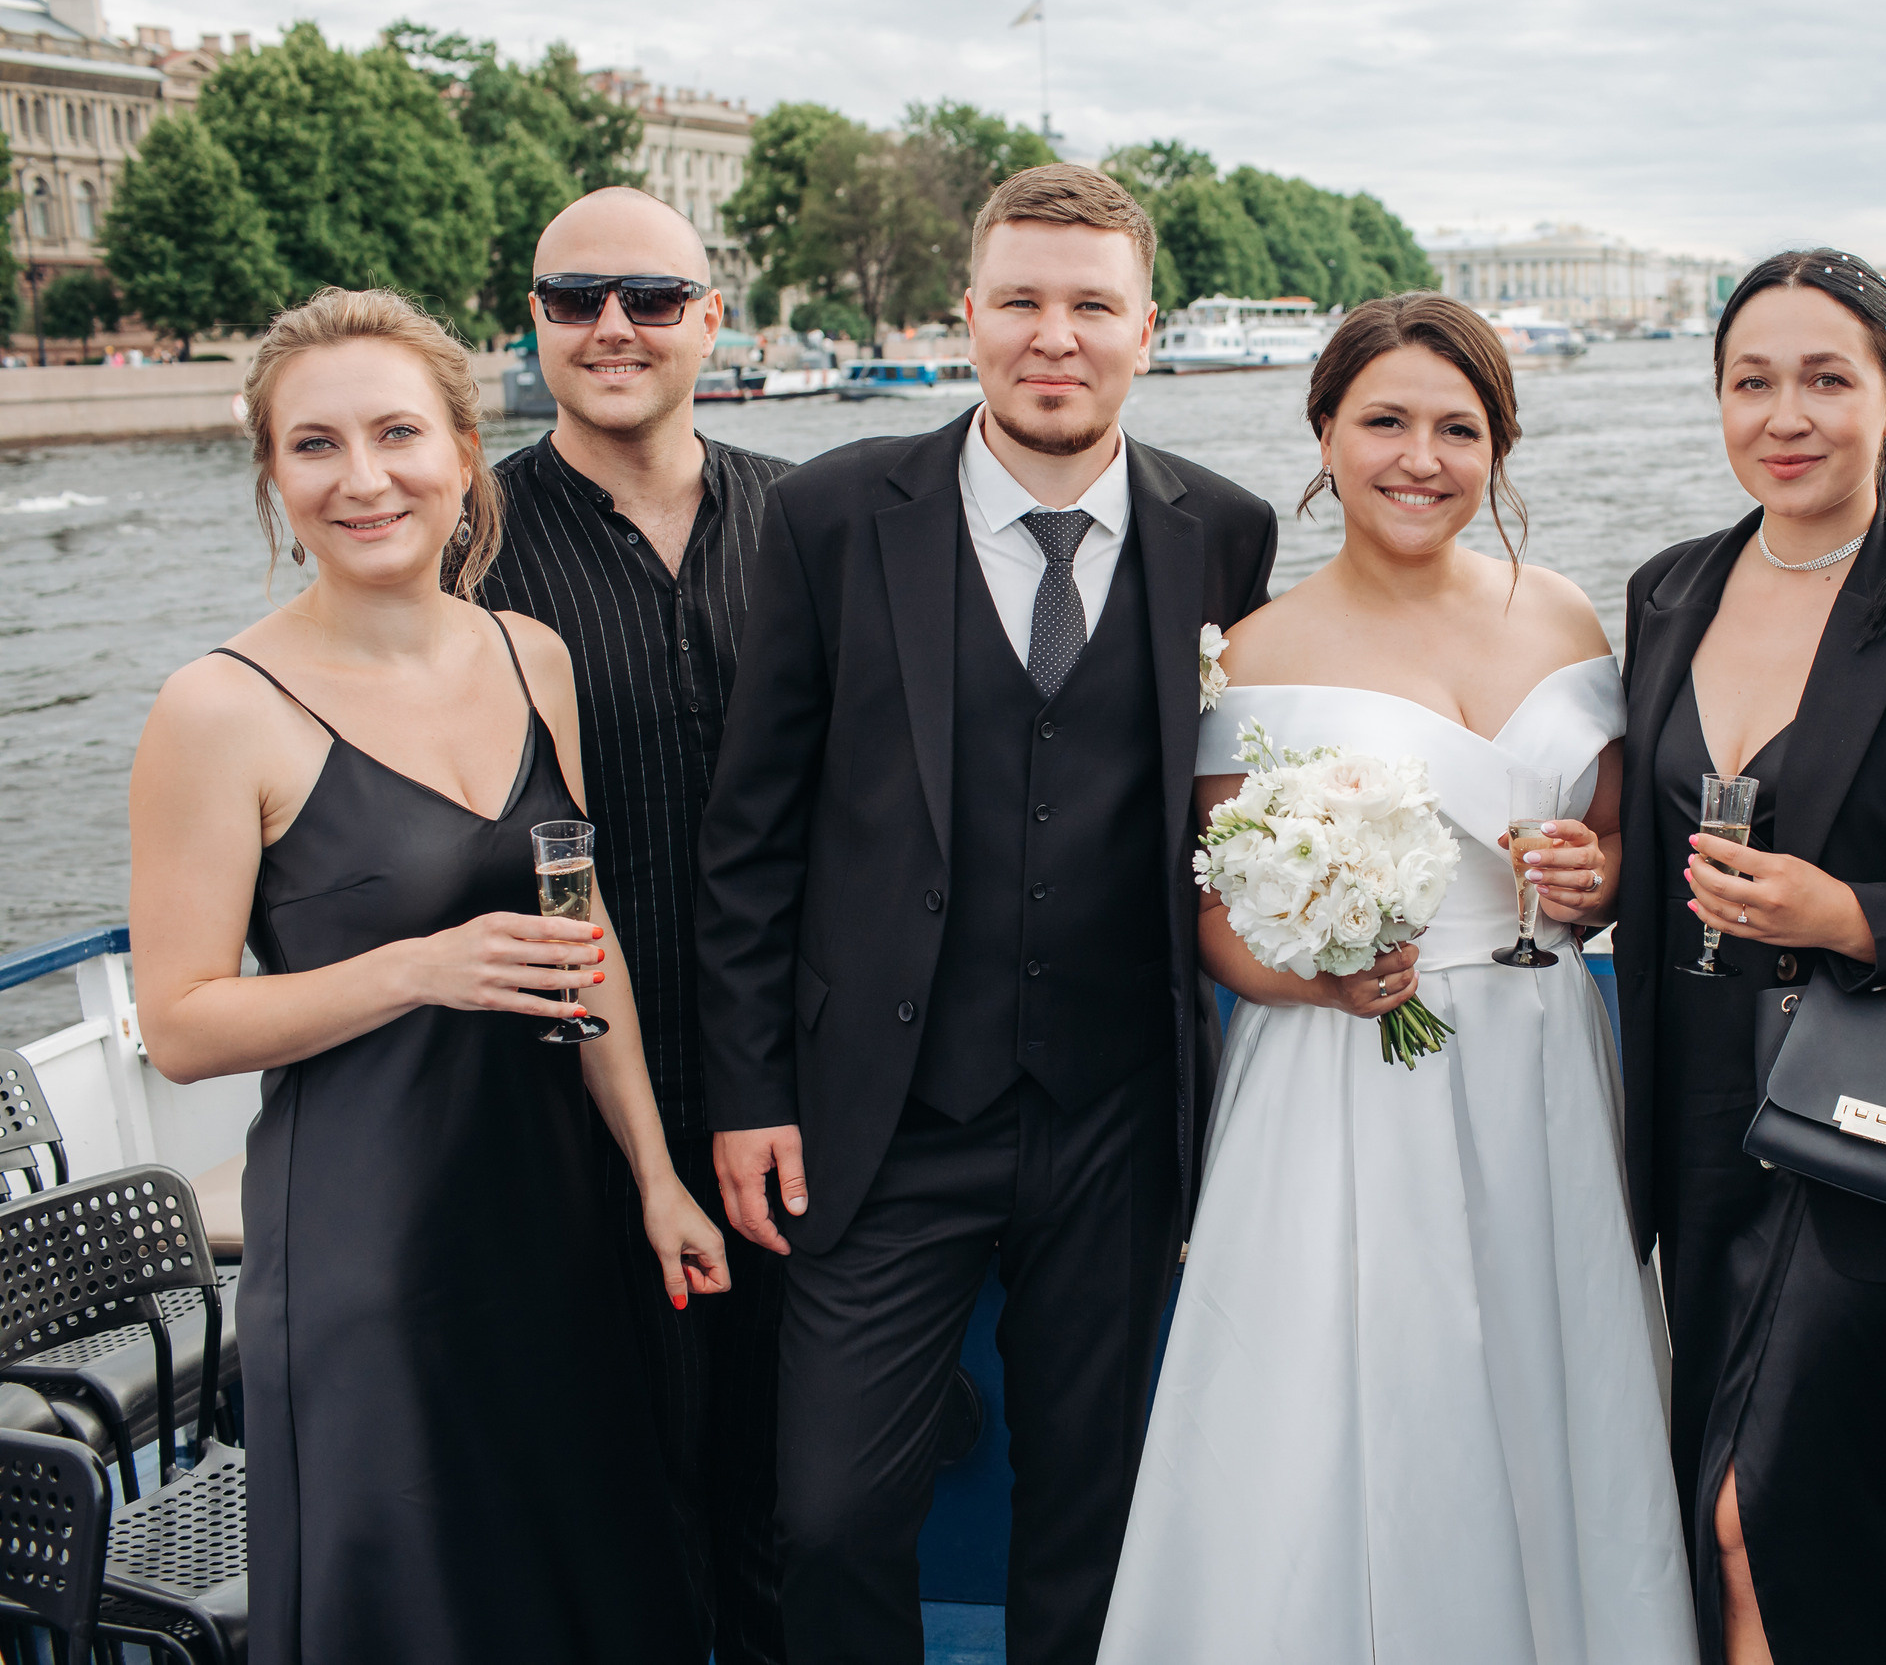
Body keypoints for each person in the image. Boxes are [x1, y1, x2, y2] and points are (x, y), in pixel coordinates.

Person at [694, 163, 1280, 1665]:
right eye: (1021, 299)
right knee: (828, 1515)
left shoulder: (1224, 531)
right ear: (968, 315)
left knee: (1091, 1506)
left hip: (1114, 1118)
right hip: (879, 1116)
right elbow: (750, 837)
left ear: (1150, 329)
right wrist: (751, 1092)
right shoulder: (832, 514)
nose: (1054, 335)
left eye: (1093, 304)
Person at [126, 287, 731, 1662]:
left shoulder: (535, 657)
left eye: (399, 433)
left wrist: (651, 1176)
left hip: (562, 1219)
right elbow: (180, 1025)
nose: (365, 478)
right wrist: (418, 966)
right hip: (373, 1250)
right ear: (276, 481)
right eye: (316, 447)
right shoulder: (218, 709)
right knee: (427, 1604)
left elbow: (586, 947)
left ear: (465, 452)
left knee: (599, 1581)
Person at [1098, 293, 1697, 1665]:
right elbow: (1211, 917)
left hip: (1543, 1057)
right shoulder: (1257, 652)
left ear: (1499, 449)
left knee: (1550, 1385)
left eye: (1458, 429)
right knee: (1354, 1396)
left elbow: (1611, 836)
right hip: (1350, 1067)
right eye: (1385, 422)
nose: (1420, 457)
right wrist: (1317, 983)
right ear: (1324, 433)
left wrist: (1595, 881)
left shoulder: (1559, 612)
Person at [1614, 249, 1886, 1665]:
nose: (1784, 415)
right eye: (1751, 382)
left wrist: (1844, 915)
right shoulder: (1668, 590)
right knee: (1705, 1498)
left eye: (1826, 380)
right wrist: (1580, 873)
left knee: (1771, 1513)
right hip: (1694, 1124)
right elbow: (1650, 856)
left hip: (1871, 1132)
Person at [475, 186, 793, 1664]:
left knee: (794, 1489)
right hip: (555, 1096)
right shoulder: (459, 542)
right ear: (533, 323)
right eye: (575, 297)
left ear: (712, 320)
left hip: (784, 1091)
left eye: (653, 298)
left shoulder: (812, 520)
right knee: (606, 1494)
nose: (613, 326)